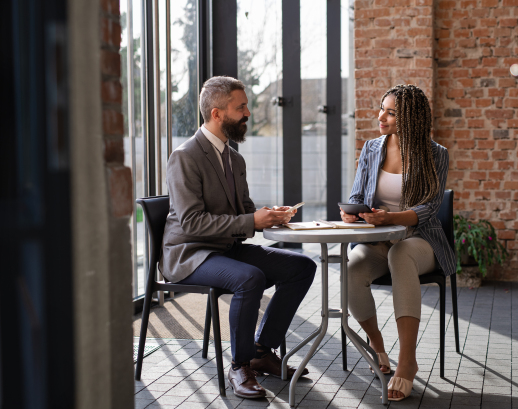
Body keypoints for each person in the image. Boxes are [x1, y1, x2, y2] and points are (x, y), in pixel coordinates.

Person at [160, 76, 317, 399]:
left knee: (302, 267)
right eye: (240, 107)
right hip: (189, 254)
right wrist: (251, 219)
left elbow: (243, 212)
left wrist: (270, 215)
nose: (248, 114)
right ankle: (240, 365)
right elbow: (191, 223)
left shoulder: (234, 159)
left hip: (225, 249)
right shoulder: (186, 156)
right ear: (217, 114)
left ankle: (261, 350)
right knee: (250, 278)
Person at [340, 84, 456, 401]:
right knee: (350, 272)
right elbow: (356, 196)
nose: (381, 116)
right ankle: (377, 346)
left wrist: (393, 218)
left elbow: (430, 207)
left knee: (401, 255)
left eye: (391, 112)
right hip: (377, 237)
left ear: (411, 118)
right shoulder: (371, 148)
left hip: (419, 239)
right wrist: (353, 212)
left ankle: (407, 362)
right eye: (382, 109)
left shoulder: (436, 154)